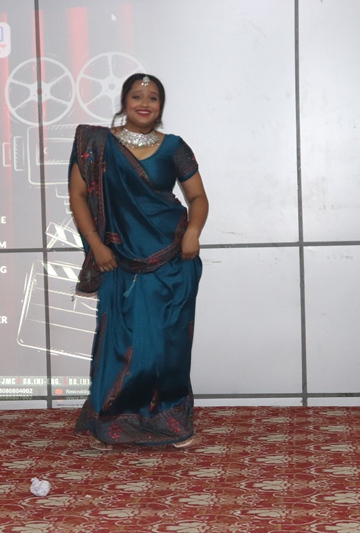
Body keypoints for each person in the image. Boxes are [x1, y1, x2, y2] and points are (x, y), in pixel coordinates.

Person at [68, 73, 209, 450]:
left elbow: (197, 198)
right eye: (136, 96)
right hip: (119, 261)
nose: (144, 103)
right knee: (120, 344)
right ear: (124, 101)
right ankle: (111, 422)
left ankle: (169, 421)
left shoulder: (175, 147)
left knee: (167, 347)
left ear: (161, 106)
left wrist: (193, 232)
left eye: (153, 97)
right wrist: (96, 245)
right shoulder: (97, 145)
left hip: (171, 259)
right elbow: (78, 196)